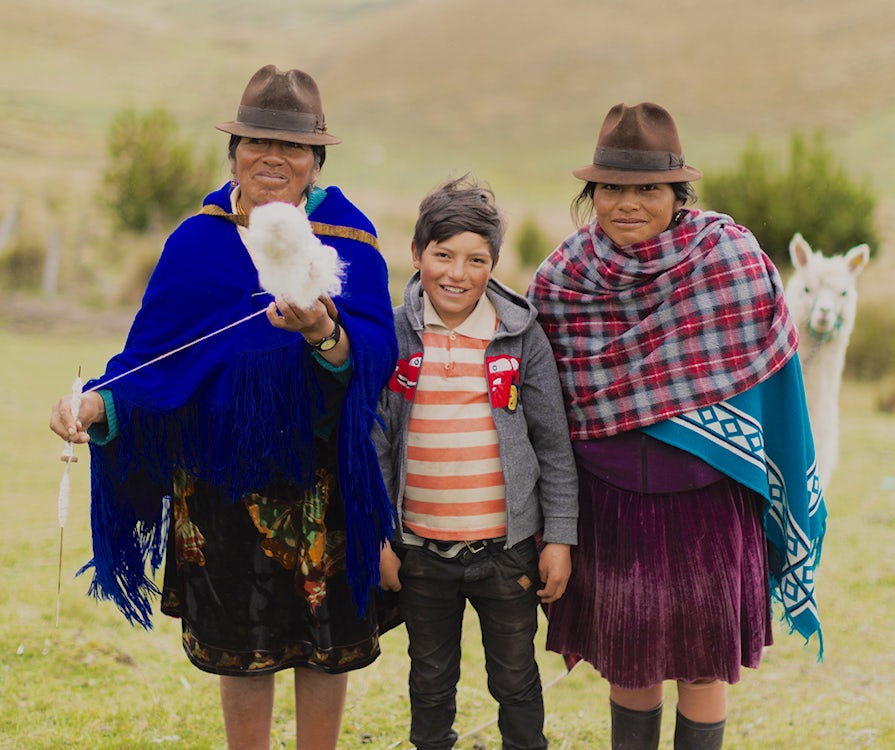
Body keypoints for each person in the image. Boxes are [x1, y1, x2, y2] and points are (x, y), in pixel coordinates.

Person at [48, 64, 398, 750]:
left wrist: (324, 333)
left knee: (322, 637)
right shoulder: (196, 242)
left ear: (315, 159)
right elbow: (152, 361)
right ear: (233, 152)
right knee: (241, 640)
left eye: (291, 146)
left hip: (320, 479)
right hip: (216, 481)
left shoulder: (349, 239)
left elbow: (376, 353)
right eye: (255, 142)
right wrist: (95, 408)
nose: (272, 157)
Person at [526, 103, 827, 750]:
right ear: (591, 193)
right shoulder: (562, 281)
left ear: (678, 194)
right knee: (631, 669)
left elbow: (776, 381)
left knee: (702, 668)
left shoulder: (731, 262)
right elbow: (542, 410)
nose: (627, 203)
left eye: (648, 188)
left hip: (710, 502)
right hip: (610, 506)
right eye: (612, 187)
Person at [373, 175, 578, 750]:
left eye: (475, 259)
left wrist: (558, 536)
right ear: (416, 255)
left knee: (515, 678)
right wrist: (378, 537)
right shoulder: (392, 334)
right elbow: (375, 444)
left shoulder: (520, 335)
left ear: (494, 263)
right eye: (443, 255)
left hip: (506, 551)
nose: (457, 273)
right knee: (430, 679)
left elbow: (553, 445)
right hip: (419, 552)